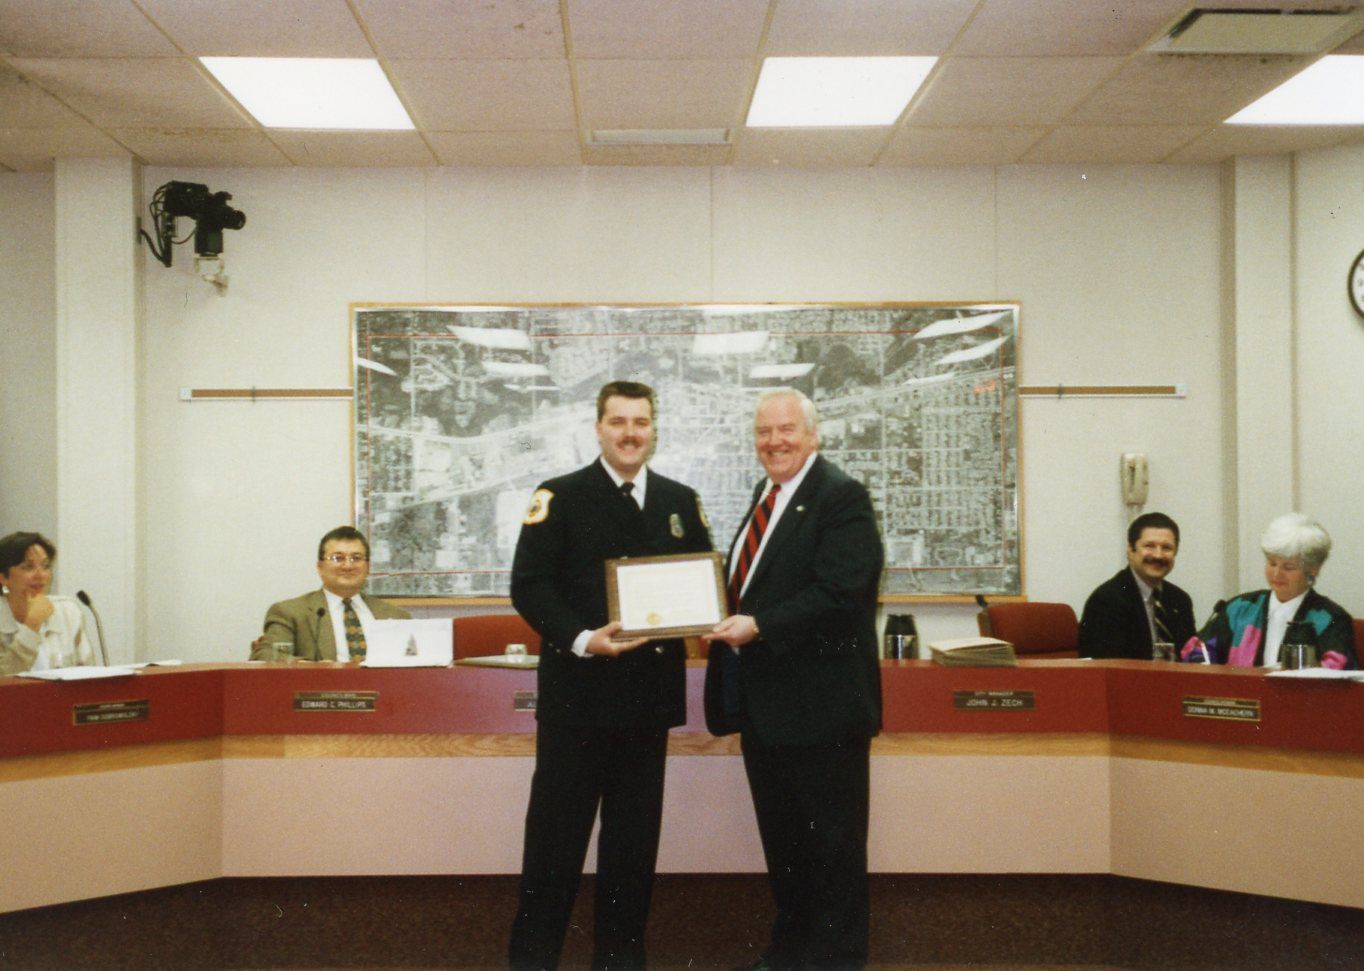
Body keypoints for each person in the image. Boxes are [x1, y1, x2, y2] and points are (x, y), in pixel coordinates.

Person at [508, 381, 713, 971]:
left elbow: (701, 584)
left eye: (640, 422)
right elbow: (529, 586)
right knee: (555, 846)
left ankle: (621, 962)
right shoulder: (559, 496)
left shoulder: (679, 500)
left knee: (632, 849)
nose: (630, 433)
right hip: (578, 700)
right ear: (598, 428)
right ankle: (532, 962)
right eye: (618, 421)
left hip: (647, 705)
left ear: (653, 429)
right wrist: (582, 639)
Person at [704, 388, 884, 971]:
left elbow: (841, 591)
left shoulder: (840, 497)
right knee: (784, 846)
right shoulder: (767, 495)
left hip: (823, 709)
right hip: (769, 710)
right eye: (764, 431)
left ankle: (834, 959)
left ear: (813, 435)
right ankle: (791, 951)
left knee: (832, 848)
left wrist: (758, 626)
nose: (774, 441)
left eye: (786, 430)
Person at [1182, 513, 1356, 669]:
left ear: (1313, 570)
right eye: (1272, 563)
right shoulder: (1240, 608)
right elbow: (1197, 649)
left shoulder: (1331, 619)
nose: (1276, 574)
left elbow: (1336, 669)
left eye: (1288, 567)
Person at [252, 526, 410, 662]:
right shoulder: (290, 613)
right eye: (337, 558)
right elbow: (265, 655)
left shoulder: (396, 616)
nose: (347, 566)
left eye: (356, 558)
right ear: (320, 566)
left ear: (367, 566)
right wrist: (313, 669)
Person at [1077, 512, 1196, 660]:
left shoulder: (1180, 600)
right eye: (1149, 546)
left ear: (1175, 553)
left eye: (1166, 548)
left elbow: (1191, 658)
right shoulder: (1106, 600)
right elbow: (1106, 666)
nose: (1158, 555)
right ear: (1130, 551)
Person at [0, 531, 95, 676]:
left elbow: (90, 676)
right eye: (28, 567)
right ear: (3, 578)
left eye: (45, 566)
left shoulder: (68, 612)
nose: (40, 575)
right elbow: (4, 679)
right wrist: (31, 627)